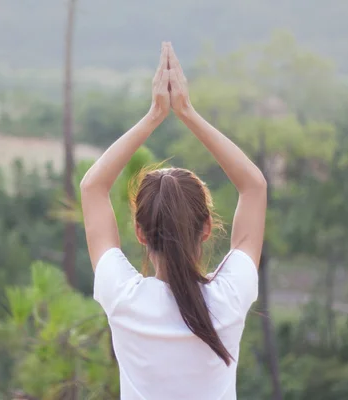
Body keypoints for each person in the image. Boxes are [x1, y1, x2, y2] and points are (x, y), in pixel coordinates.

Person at [79, 41, 267, 400]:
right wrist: (187, 112)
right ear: (207, 227)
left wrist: (154, 115)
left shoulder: (123, 298)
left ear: (140, 232)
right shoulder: (229, 298)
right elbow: (254, 186)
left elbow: (92, 187)